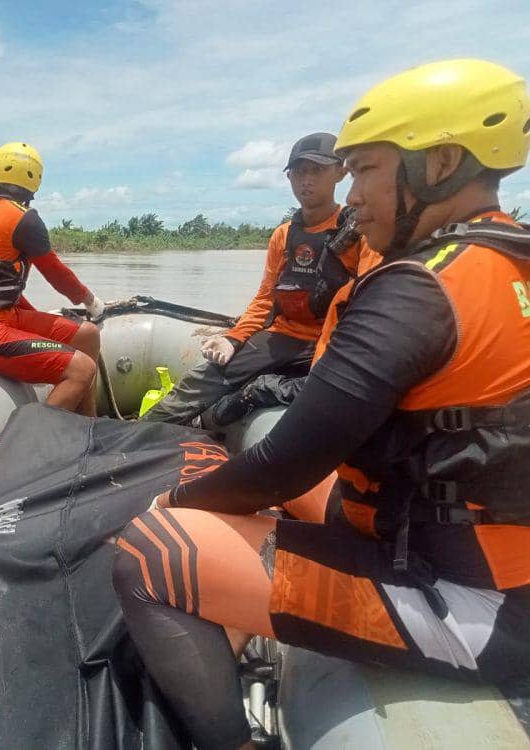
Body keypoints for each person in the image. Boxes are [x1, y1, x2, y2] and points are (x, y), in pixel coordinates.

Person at [113, 59, 530, 750]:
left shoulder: (421, 289)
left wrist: (176, 503)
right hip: (465, 549)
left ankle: (231, 743)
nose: (351, 192)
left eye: (365, 169)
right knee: (302, 495)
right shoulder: (505, 263)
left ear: (444, 162)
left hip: (474, 606)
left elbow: (282, 465)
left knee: (148, 552)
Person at [142, 132, 368, 426]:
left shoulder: (359, 232)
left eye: (317, 170)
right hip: (281, 337)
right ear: (289, 178)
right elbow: (265, 299)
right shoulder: (283, 236)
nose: (306, 180)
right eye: (299, 171)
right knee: (204, 378)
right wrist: (232, 339)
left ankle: (259, 394)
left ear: (341, 172)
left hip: (333, 342)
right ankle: (135, 436)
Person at [0, 142, 105, 415]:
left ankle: (88, 424)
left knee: (88, 334)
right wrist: (89, 300)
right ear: (33, 182)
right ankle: (34, 442)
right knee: (81, 369)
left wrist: (39, 323)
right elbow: (57, 275)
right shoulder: (23, 219)